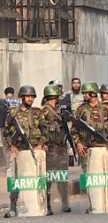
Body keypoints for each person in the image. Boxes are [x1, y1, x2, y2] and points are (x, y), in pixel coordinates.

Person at [72, 82, 108, 214]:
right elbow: (74, 129)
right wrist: (78, 143)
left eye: (86, 93)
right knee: (91, 177)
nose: (84, 95)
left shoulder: (106, 109)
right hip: (89, 149)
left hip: (105, 147)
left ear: (92, 94)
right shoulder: (81, 110)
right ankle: (93, 203)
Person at [3, 85, 46, 218]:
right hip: (19, 150)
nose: (30, 99)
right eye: (27, 96)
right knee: (16, 179)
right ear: (22, 97)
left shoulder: (38, 113)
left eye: (32, 97)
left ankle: (37, 206)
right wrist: (12, 145)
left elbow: (44, 130)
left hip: (34, 150)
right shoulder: (13, 113)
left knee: (35, 179)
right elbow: (5, 132)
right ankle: (13, 207)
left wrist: (41, 143)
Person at [40, 84, 71, 214]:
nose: (55, 100)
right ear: (48, 98)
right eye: (53, 98)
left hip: (61, 148)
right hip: (51, 148)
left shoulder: (60, 111)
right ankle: (47, 204)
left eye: (56, 98)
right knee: (49, 178)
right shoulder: (44, 112)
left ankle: (65, 204)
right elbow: (40, 129)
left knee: (62, 177)